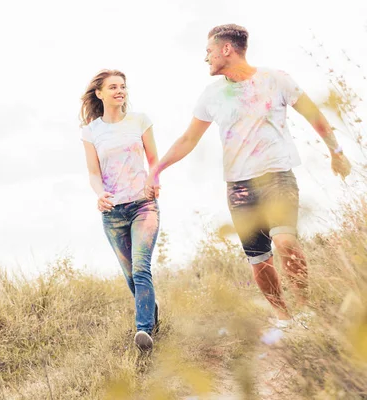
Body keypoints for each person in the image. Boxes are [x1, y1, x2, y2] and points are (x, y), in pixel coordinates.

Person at [146, 24, 351, 325]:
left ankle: (308, 312)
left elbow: (313, 115)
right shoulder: (212, 94)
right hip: (239, 187)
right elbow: (189, 139)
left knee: (285, 242)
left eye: (209, 51)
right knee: (259, 259)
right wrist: (157, 169)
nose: (206, 58)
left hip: (277, 176)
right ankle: (284, 318)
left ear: (226, 49)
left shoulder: (275, 79)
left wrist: (337, 152)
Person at [80, 69, 161, 350]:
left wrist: (155, 179)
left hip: (143, 205)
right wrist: (100, 195)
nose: (119, 91)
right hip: (113, 213)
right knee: (130, 276)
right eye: (113, 87)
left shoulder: (140, 121)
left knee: (141, 268)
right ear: (99, 93)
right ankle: (152, 315)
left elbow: (154, 159)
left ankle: (143, 331)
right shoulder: (91, 132)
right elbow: (93, 173)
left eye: (123, 86)